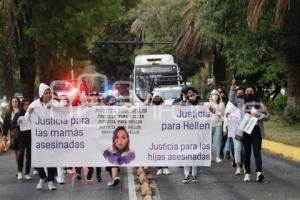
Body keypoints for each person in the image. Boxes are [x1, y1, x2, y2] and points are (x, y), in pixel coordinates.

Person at [25, 83, 59, 190]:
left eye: (50, 93)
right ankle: (42, 177)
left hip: (52, 137)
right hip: (38, 138)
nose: (49, 95)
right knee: (37, 159)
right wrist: (29, 113)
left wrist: (53, 109)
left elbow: (64, 116)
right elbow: (27, 120)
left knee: (51, 159)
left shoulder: (55, 103)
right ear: (41, 94)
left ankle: (50, 181)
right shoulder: (34, 104)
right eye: (46, 93)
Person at [241, 85, 269, 182]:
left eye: (251, 91)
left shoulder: (260, 104)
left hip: (256, 130)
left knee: (257, 152)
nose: (249, 93)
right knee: (247, 153)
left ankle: (259, 173)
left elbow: (267, 116)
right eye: (247, 91)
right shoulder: (242, 104)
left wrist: (258, 114)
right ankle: (247, 174)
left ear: (254, 92)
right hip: (245, 131)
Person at [181, 87, 202, 183]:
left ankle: (194, 174)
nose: (190, 95)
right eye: (188, 94)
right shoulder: (182, 103)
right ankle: (186, 174)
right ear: (185, 95)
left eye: (192, 93)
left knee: (195, 154)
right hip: (186, 133)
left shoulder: (200, 104)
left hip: (197, 132)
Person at [12, 98, 32, 180]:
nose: (26, 106)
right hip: (20, 137)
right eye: (25, 104)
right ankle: (20, 171)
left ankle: (27, 172)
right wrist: (17, 123)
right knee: (21, 154)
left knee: (29, 155)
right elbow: (12, 125)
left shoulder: (32, 113)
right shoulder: (18, 114)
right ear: (22, 105)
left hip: (30, 137)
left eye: (28, 104)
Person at [2, 96, 21, 178]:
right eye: (13, 102)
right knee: (16, 152)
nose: (14, 103)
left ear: (18, 102)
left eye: (16, 101)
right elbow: (5, 125)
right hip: (13, 134)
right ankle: (19, 170)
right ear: (11, 103)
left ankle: (24, 168)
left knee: (22, 153)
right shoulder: (8, 112)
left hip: (22, 133)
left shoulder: (22, 111)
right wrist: (4, 135)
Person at [228, 85, 245, 175]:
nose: (240, 94)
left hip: (246, 129)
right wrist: (232, 87)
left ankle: (246, 166)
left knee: (246, 149)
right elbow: (231, 98)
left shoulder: (247, 103)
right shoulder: (235, 103)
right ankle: (238, 167)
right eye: (238, 93)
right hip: (236, 130)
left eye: (242, 93)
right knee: (237, 148)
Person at [209, 89, 225, 163]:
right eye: (213, 94)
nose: (214, 96)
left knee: (218, 140)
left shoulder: (222, 104)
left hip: (219, 123)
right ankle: (210, 155)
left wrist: (219, 113)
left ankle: (218, 156)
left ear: (218, 96)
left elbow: (224, 115)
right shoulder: (208, 104)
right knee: (209, 141)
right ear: (211, 96)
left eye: (216, 94)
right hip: (210, 124)